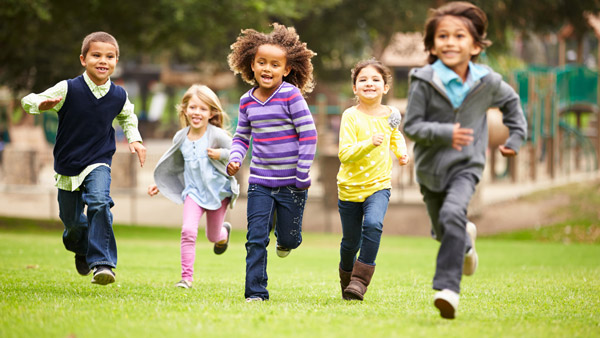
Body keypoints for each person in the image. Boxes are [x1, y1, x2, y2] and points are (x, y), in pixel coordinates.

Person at [403, 2, 528, 319]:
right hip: (430, 170)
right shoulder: (424, 80)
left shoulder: (487, 82)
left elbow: (513, 106)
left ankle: (448, 290)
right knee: (443, 229)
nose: (450, 42)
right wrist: (445, 132)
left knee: (453, 213)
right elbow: (412, 126)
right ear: (432, 45)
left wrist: (515, 138)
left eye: (459, 36)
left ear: (475, 46)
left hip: (466, 166)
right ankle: (466, 246)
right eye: (442, 36)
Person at [21, 31, 146, 285]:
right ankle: (81, 247)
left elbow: (128, 117)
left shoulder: (119, 95)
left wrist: (135, 139)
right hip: (68, 164)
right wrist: (40, 105)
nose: (103, 61)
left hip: (99, 160)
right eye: (96, 55)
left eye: (110, 56)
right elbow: (28, 100)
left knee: (100, 202)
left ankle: (103, 264)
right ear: (83, 59)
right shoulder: (68, 88)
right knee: (72, 223)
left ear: (116, 61)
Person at [226, 23, 317, 302]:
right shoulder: (246, 102)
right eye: (262, 62)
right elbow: (241, 137)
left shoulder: (290, 95)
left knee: (289, 239)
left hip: (292, 183)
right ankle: (255, 292)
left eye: (275, 64)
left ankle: (286, 237)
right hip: (260, 183)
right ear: (251, 65)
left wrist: (302, 173)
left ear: (286, 70)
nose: (268, 69)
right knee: (255, 238)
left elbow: (309, 134)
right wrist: (235, 157)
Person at [148, 84, 239, 289]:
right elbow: (174, 165)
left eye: (203, 109)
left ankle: (223, 234)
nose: (197, 112)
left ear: (211, 113)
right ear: (185, 110)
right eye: (192, 107)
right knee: (188, 231)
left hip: (217, 193)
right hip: (193, 193)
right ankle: (186, 278)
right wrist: (159, 184)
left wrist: (220, 155)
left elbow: (236, 152)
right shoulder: (180, 138)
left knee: (213, 236)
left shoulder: (216, 135)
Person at [337, 59, 410, 301]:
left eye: (376, 79)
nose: (370, 83)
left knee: (373, 225)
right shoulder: (350, 116)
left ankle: (359, 281)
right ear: (355, 88)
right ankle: (347, 278)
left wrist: (401, 152)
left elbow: (395, 136)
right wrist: (369, 143)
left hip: (378, 185)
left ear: (385, 87)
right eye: (363, 80)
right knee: (350, 243)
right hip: (349, 188)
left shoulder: (392, 114)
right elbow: (344, 154)